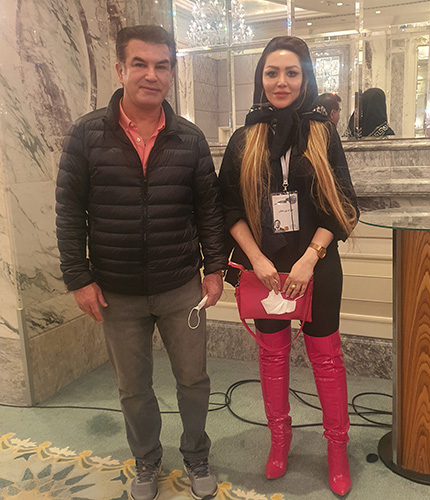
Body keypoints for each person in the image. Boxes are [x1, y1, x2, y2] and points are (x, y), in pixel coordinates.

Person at [56, 25, 226, 500]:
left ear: (171, 72)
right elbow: (69, 211)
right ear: (120, 70)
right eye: (140, 64)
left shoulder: (189, 139)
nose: (151, 75)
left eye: (161, 66)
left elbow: (209, 211)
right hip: (117, 290)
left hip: (180, 287)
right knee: (133, 388)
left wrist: (214, 268)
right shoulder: (86, 135)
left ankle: (196, 455)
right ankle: (147, 461)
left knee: (193, 380)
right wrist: (79, 278)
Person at [219, 36, 358, 496]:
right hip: (265, 268)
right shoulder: (244, 139)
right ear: (261, 78)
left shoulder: (322, 133)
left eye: (292, 73)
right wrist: (257, 260)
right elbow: (228, 208)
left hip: (316, 262)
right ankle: (279, 441)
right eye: (272, 72)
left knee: (326, 357)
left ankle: (337, 449)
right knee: (273, 356)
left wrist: (309, 259)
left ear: (305, 78)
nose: (282, 82)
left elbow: (343, 205)